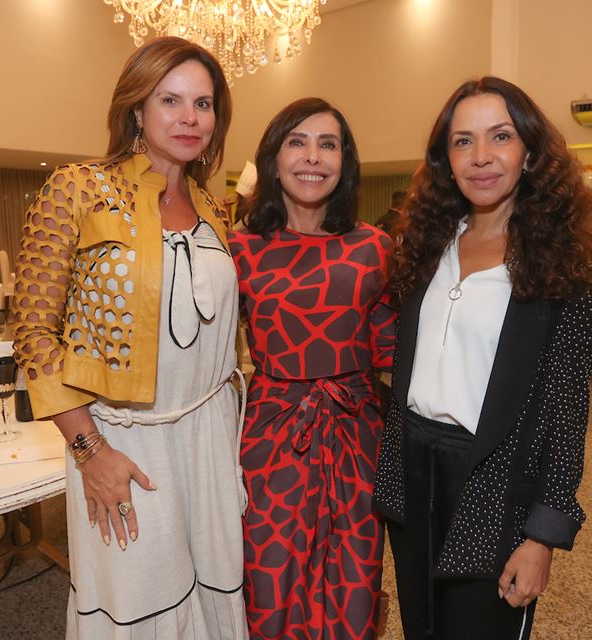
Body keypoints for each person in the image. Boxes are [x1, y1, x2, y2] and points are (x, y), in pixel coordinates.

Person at [11, 37, 248, 639]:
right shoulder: (78, 189)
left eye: (204, 103)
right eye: (171, 100)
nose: (190, 118)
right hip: (121, 442)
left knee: (216, 590)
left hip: (210, 436)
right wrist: (91, 453)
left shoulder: (215, 210)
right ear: (137, 109)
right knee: (138, 599)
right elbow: (33, 333)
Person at [373, 76, 592, 639]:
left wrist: (542, 536)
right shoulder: (427, 245)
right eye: (462, 141)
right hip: (414, 468)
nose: (481, 157)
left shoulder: (566, 264)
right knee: (422, 629)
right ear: (444, 158)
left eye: (499, 136)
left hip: (496, 480)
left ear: (529, 151)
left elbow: (567, 407)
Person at [229, 97, 395, 639]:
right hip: (271, 436)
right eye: (297, 142)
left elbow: (398, 350)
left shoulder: (376, 248)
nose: (312, 157)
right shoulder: (239, 249)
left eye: (328, 144)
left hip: (358, 435)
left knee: (354, 580)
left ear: (345, 161)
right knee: (270, 580)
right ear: (273, 158)